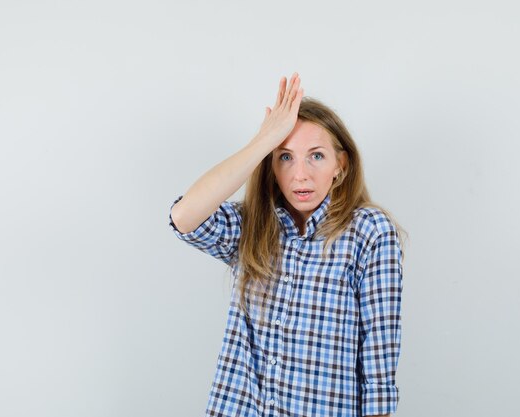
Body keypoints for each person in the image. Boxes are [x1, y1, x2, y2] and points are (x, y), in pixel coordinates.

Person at [168, 72, 405, 417]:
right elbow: (184, 217)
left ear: (342, 164)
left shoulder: (369, 232)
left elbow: (378, 369)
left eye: (316, 156)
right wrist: (263, 141)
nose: (300, 175)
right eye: (285, 157)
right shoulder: (252, 225)